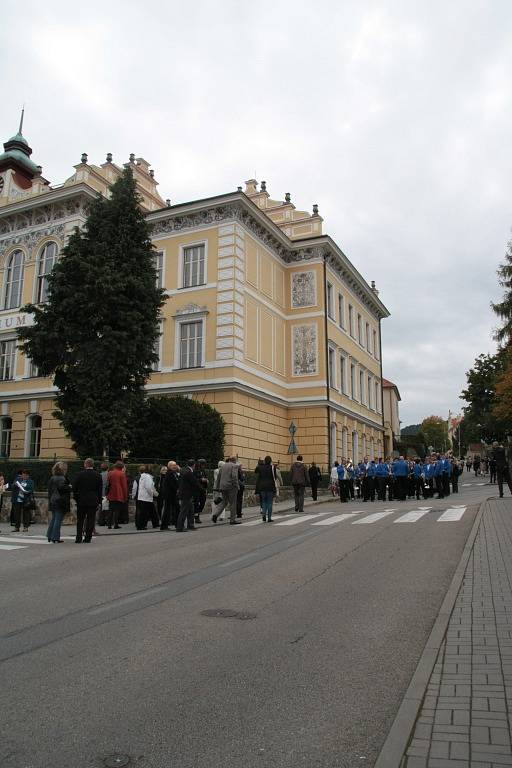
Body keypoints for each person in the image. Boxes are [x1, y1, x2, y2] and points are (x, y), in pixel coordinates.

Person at [72, 458, 102, 543]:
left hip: (81, 500)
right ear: (92, 465)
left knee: (80, 520)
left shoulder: (79, 475)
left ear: (85, 464)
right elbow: (99, 490)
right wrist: (99, 501)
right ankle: (88, 537)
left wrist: (76, 498)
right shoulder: (98, 475)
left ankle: (78, 537)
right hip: (93, 500)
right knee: (91, 519)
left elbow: (74, 488)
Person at [47, 462, 71, 543]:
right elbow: (62, 488)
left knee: (54, 518)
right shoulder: (62, 478)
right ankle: (55, 537)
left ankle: (50, 535)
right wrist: (69, 487)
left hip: (53, 500)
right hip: (60, 501)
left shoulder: (52, 478)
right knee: (58, 519)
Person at [212, 456, 240, 525]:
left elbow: (219, 477)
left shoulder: (223, 466)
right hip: (231, 487)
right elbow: (234, 477)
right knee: (233, 503)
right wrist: (237, 486)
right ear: (234, 460)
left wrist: (217, 487)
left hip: (223, 487)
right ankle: (232, 520)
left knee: (224, 502)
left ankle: (215, 515)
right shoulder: (234, 466)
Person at [177, 459, 201, 531]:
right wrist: (202, 489)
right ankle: (180, 527)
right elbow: (194, 482)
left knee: (191, 510)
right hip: (186, 494)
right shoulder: (189, 472)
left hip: (186, 493)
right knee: (184, 511)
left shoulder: (183, 470)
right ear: (193, 465)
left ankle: (190, 525)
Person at [106, 460, 128, 530]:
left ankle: (109, 524)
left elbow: (108, 483)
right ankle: (116, 524)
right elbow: (124, 486)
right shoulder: (122, 474)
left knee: (110, 509)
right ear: (121, 467)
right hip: (119, 493)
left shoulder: (110, 473)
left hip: (111, 493)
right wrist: (125, 496)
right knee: (117, 510)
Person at [136, 465, 158, 529]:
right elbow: (148, 487)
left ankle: (155, 523)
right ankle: (141, 526)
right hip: (146, 497)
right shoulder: (148, 477)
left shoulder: (142, 476)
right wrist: (152, 493)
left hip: (142, 497)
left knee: (152, 511)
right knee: (144, 513)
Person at [160, 461, 180, 530]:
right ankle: (165, 525)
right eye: (173, 465)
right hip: (169, 494)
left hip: (172, 494)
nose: (174, 467)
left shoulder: (173, 473)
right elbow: (172, 484)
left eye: (175, 465)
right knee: (168, 510)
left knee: (174, 509)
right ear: (169, 466)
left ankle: (175, 523)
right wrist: (177, 489)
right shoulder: (169, 473)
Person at [256, 455, 277, 521]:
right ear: (270, 461)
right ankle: (269, 518)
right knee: (270, 502)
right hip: (270, 486)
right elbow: (275, 477)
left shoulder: (261, 467)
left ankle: (264, 515)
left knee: (264, 502)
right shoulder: (272, 467)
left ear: (264, 461)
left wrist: (259, 463)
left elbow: (255, 471)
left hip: (262, 486)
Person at [193, 459, 208, 524]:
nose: (203, 466)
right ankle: (196, 517)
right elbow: (194, 479)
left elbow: (205, 477)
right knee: (196, 503)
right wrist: (201, 480)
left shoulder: (203, 471)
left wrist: (206, 481)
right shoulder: (195, 471)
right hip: (197, 489)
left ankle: (197, 513)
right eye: (202, 464)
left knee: (202, 502)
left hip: (203, 489)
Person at [97, 461, 110, 526]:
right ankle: (108, 521)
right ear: (108, 468)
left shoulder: (99, 475)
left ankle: (101, 521)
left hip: (101, 493)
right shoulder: (109, 474)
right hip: (108, 493)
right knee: (108, 508)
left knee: (101, 508)